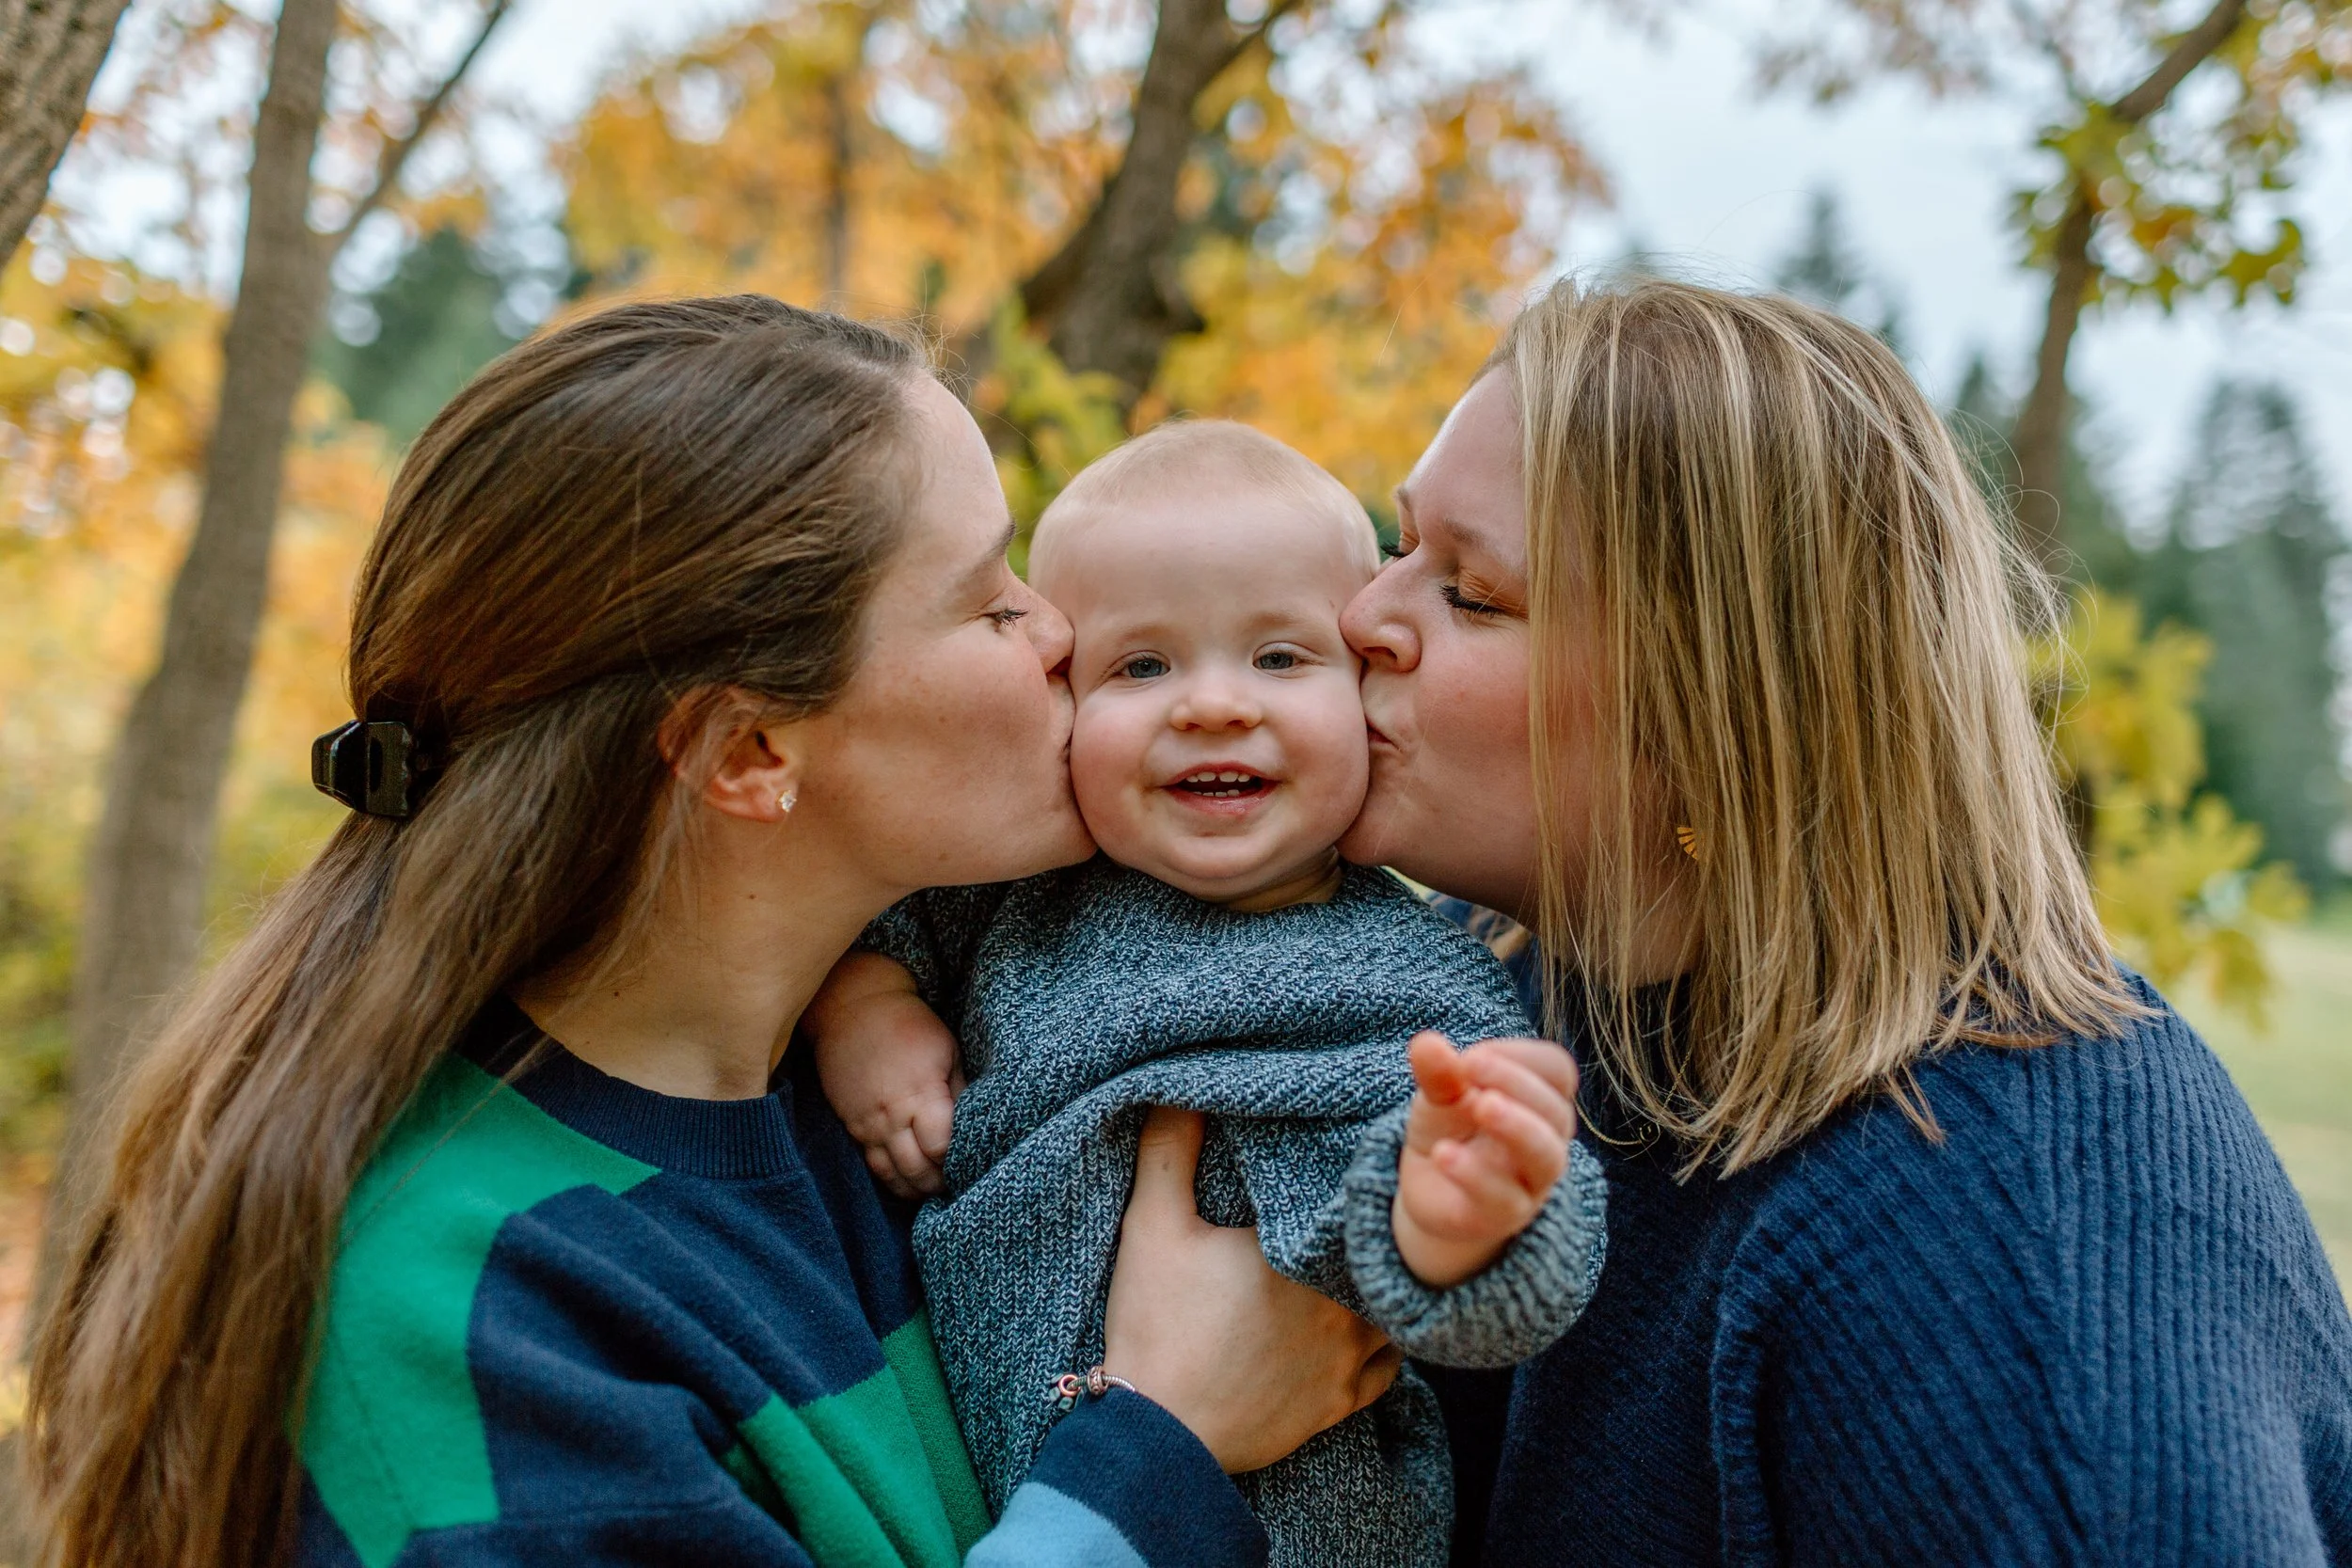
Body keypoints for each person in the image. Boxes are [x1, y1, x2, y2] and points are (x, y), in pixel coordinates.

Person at [25, 297, 1406, 1568]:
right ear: (749, 751)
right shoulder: (470, 1321)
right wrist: (1158, 1446)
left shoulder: (895, 1076)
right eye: (992, 600)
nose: (1063, 632)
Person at [1338, 277, 2352, 1564]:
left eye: (1471, 592)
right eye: (1399, 543)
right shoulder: (1519, 996)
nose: (1364, 615)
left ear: (1716, 717)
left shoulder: (2012, 1265)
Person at [804, 420, 1602, 1568]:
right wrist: (865, 1008)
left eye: (1280, 659)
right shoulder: (1013, 894)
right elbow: (880, 912)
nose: (1214, 705)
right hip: (1015, 1504)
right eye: (1141, 666)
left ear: (1366, 694)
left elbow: (1522, 1285)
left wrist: (1456, 1227)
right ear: (1061, 701)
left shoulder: (1416, 977)